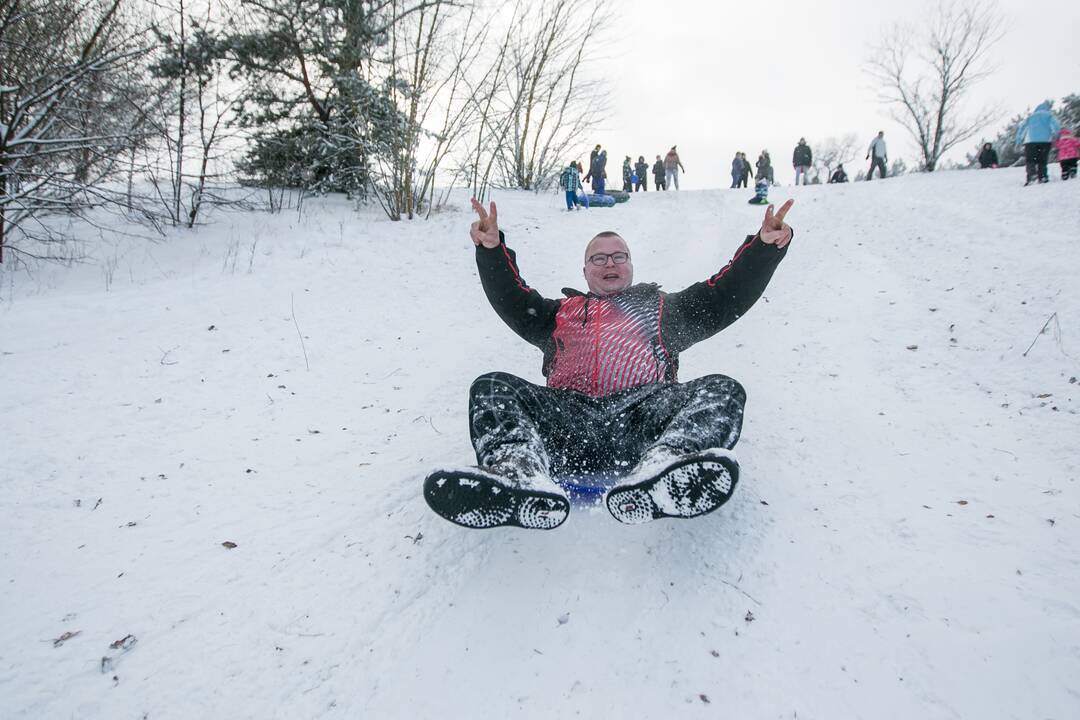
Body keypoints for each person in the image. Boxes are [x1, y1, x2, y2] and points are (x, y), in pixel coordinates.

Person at [423, 197, 795, 530]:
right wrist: (491, 250)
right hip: (567, 424)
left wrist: (762, 248)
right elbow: (511, 297)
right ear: (585, 271)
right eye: (598, 258)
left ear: (631, 265)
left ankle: (667, 466)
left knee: (722, 388)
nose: (609, 263)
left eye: (618, 256)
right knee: (491, 385)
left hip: (643, 420)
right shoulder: (557, 315)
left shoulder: (665, 309)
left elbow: (725, 294)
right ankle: (518, 473)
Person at [1015, 102, 1062, 185]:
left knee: (1030, 160)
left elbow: (1022, 128)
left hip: (1030, 142)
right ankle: (1043, 176)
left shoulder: (1031, 116)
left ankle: (1031, 176)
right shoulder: (1049, 115)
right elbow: (1056, 126)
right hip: (1045, 141)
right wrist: (1057, 136)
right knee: (1042, 160)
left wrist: (1018, 140)